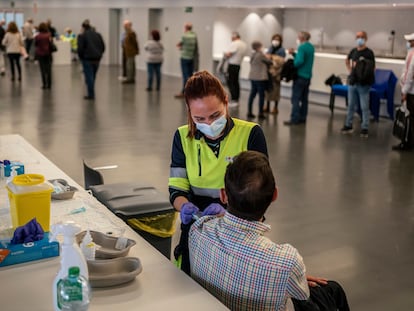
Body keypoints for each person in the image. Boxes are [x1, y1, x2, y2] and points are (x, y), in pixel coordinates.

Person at [189, 150, 350, 311]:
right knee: (332, 290)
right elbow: (303, 297)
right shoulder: (287, 262)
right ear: (275, 195)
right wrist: (288, 277)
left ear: (223, 195)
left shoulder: (198, 229)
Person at [169, 70, 268, 275]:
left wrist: (227, 213)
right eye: (200, 118)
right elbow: (176, 189)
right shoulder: (182, 137)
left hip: (239, 232)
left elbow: (259, 195)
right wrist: (185, 206)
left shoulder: (250, 134)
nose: (209, 124)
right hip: (197, 230)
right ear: (189, 111)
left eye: (215, 115)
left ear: (225, 101)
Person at [341, 31, 375, 138]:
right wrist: (351, 70)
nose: (359, 39)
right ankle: (348, 124)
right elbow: (347, 60)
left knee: (364, 106)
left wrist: (365, 75)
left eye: (362, 37)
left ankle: (365, 127)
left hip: (364, 83)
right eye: (357, 37)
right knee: (351, 105)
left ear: (366, 38)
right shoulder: (353, 51)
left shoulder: (369, 52)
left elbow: (373, 67)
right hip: (353, 82)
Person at [284, 31, 315, 126]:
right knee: (304, 99)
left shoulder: (301, 47)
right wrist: (294, 54)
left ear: (302, 38)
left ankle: (294, 118)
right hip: (308, 76)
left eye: (298, 36)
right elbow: (304, 59)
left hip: (300, 76)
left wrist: (291, 65)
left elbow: (299, 61)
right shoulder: (311, 47)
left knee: (296, 99)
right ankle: (303, 117)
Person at [393, 32, 414, 151]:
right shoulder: (410, 53)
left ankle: (408, 143)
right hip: (410, 90)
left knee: (410, 118)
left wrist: (404, 92)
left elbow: (410, 75)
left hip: (411, 92)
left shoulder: (413, 55)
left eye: (410, 41)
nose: (408, 43)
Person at [77, 20, 105, 100]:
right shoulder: (98, 35)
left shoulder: (82, 36)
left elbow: (80, 49)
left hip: (87, 59)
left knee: (89, 77)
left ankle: (91, 94)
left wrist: (81, 57)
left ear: (83, 28)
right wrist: (99, 54)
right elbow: (103, 46)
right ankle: (91, 91)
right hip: (97, 58)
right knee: (93, 76)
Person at [247, 40, 272, 119]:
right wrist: (269, 57)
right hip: (260, 78)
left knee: (252, 94)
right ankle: (260, 113)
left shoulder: (253, 54)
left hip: (253, 77)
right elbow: (270, 62)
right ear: (259, 47)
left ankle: (249, 111)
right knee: (261, 95)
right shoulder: (261, 55)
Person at [175, 22, 198, 98]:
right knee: (190, 75)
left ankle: (184, 92)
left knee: (185, 76)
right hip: (191, 58)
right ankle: (192, 91)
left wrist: (181, 47)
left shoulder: (184, 36)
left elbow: (179, 44)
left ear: (185, 27)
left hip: (184, 57)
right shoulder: (194, 36)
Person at [264, 33, 286, 114]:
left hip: (277, 74)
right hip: (269, 73)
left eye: (277, 40)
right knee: (268, 90)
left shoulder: (282, 50)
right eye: (274, 39)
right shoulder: (270, 48)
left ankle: (275, 107)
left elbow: (281, 62)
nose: (275, 41)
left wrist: (272, 57)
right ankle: (267, 106)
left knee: (276, 91)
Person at [224, 31, 247, 107]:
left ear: (234, 36)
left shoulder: (235, 44)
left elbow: (228, 54)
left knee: (231, 82)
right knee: (236, 82)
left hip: (232, 65)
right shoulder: (243, 44)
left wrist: (225, 54)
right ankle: (236, 99)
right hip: (238, 65)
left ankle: (234, 99)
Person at [34, 22, 53, 89]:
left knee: (42, 69)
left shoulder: (37, 36)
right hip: (48, 53)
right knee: (49, 69)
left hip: (40, 54)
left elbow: (36, 45)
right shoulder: (49, 35)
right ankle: (49, 84)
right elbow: (51, 44)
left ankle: (44, 84)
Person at [122, 20, 139, 84]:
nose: (124, 26)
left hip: (131, 52)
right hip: (128, 51)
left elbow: (135, 42)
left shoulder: (131, 33)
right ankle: (130, 78)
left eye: (126, 25)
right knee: (129, 65)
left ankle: (130, 79)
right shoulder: (127, 33)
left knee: (130, 65)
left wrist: (136, 50)